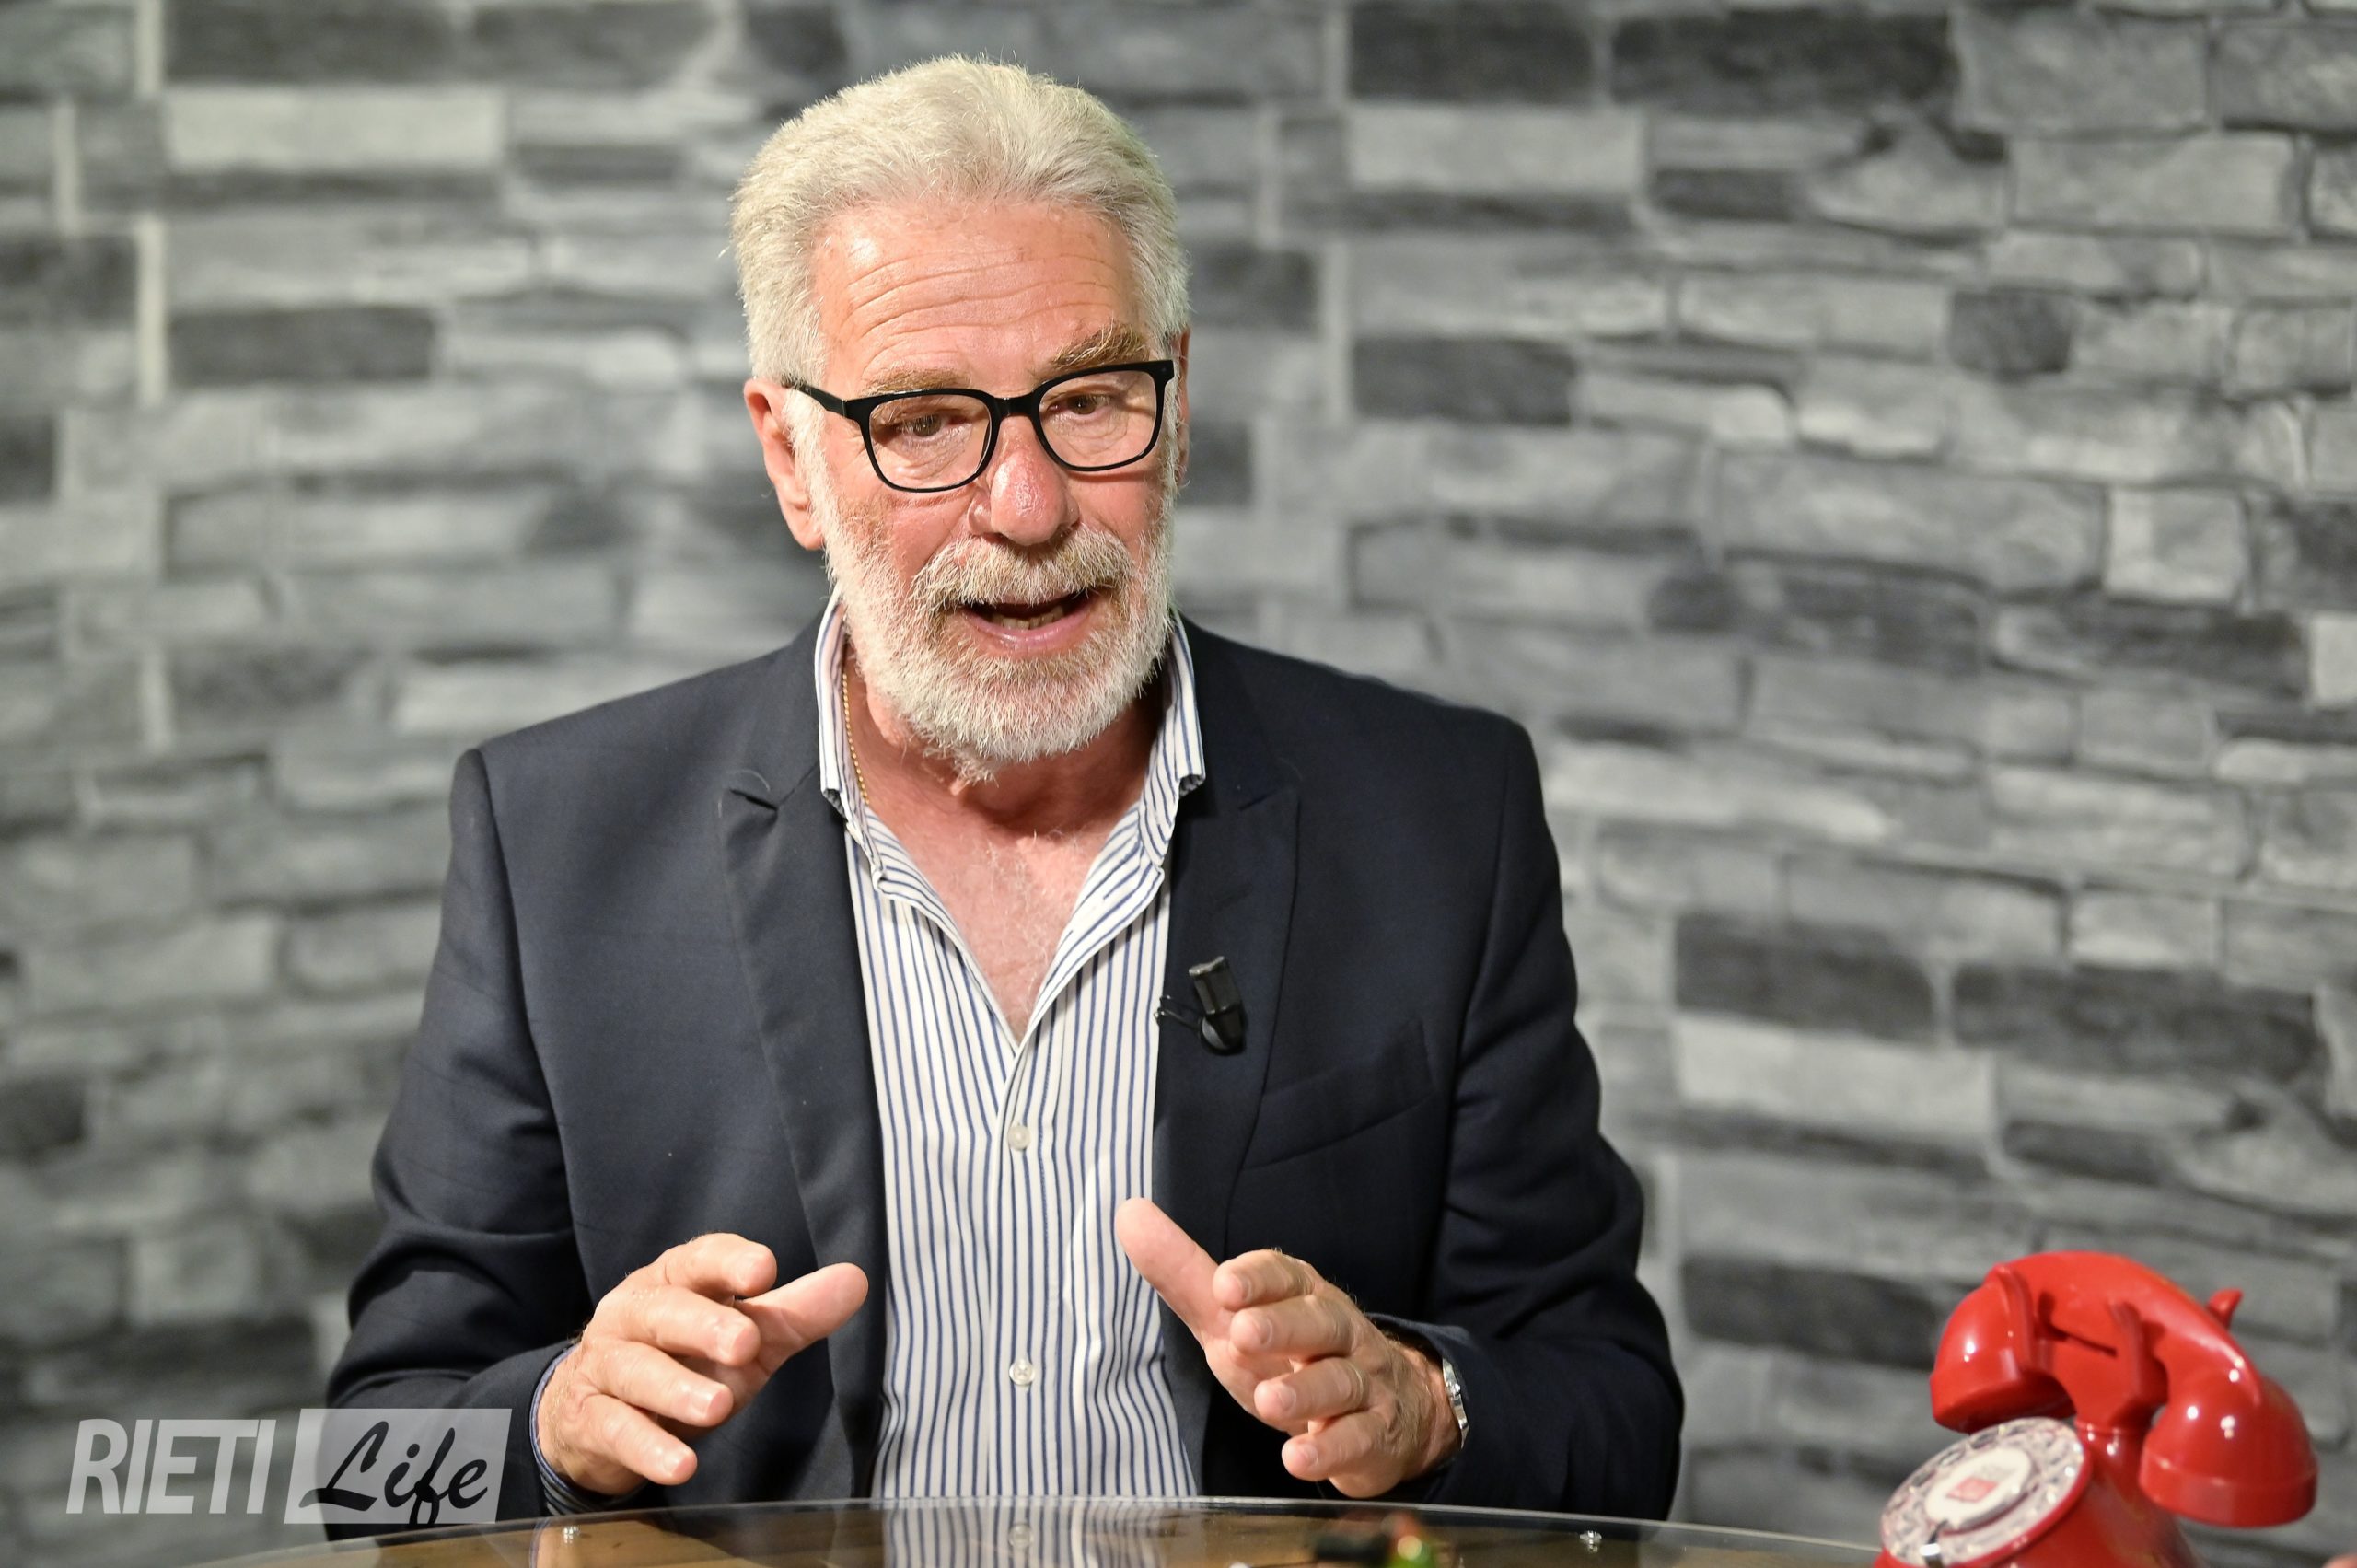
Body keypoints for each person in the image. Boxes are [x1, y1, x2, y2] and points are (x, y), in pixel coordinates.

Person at [327, 56, 1680, 1521]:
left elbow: (1612, 1410)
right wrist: (556, 1424)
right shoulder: (553, 845)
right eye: (922, 423)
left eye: (1090, 400)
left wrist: (1426, 1405)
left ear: (1178, 403)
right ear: (791, 456)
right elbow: (372, 1466)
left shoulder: (1441, 820)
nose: (1027, 509)